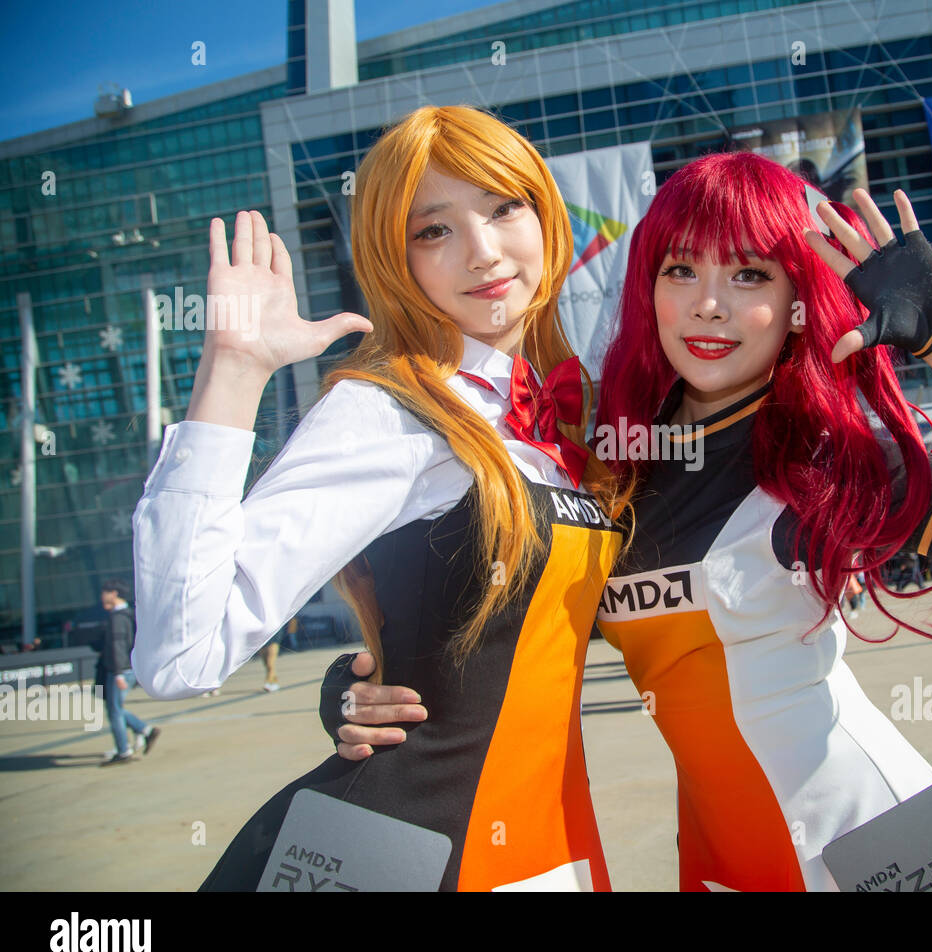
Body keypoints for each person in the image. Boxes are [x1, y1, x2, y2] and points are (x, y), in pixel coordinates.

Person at [328, 152, 932, 891]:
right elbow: (514, 635)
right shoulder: (611, 462)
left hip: (873, 843)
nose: (708, 306)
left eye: (750, 275)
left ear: (796, 300)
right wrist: (387, 686)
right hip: (719, 861)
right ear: (649, 286)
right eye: (681, 269)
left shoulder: (822, 459)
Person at [131, 105, 623, 891]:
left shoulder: (560, 417)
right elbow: (179, 655)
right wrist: (234, 369)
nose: (483, 252)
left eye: (504, 208)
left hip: (551, 842)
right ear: (398, 262)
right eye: (435, 231)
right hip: (408, 852)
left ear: (547, 216)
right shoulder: (389, 409)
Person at [97, 579, 159, 765]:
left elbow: (118, 646)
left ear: (114, 593)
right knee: (115, 708)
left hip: (120, 670)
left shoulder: (117, 618)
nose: (102, 596)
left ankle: (124, 750)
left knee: (114, 711)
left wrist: (117, 673)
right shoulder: (129, 615)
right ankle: (145, 730)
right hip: (126, 668)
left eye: (104, 592)